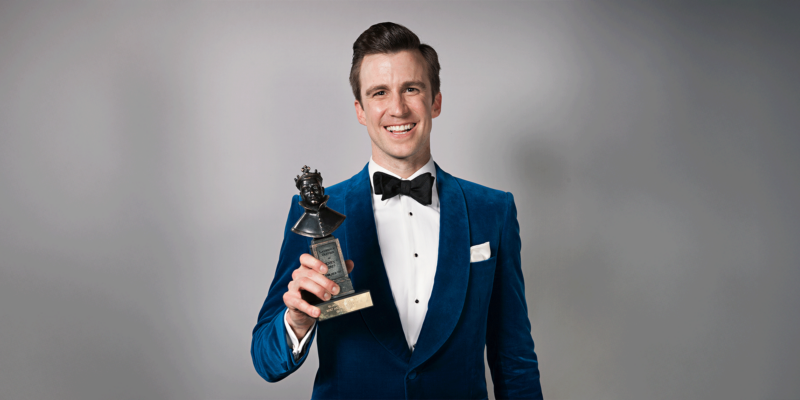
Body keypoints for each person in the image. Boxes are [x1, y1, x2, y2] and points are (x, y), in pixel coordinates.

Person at [251, 22, 543, 399]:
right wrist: (298, 319)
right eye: (379, 93)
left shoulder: (493, 210)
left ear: (435, 101)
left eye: (411, 89)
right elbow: (265, 360)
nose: (398, 108)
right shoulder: (316, 214)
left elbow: (513, 357)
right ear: (360, 109)